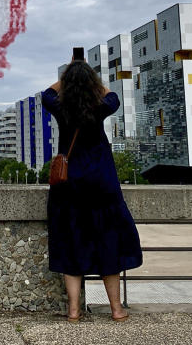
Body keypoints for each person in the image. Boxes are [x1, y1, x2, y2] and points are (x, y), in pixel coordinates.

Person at [43, 59, 142, 323]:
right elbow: (113, 97)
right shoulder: (100, 107)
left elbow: (47, 94)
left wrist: (69, 77)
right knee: (108, 243)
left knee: (70, 243)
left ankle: (74, 311)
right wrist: (91, 81)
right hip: (101, 182)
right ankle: (116, 309)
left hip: (69, 185)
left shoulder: (60, 107)